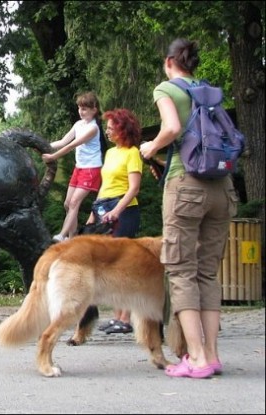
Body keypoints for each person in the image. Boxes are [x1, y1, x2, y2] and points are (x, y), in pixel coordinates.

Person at [140, 38, 233, 379]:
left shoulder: (167, 88)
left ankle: (195, 358)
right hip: (222, 188)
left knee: (180, 270)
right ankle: (212, 353)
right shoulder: (209, 90)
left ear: (169, 62)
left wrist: (151, 147)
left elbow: (173, 128)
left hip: (186, 186)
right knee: (208, 271)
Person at [86, 108, 143, 335]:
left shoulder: (133, 153)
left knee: (122, 266)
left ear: (122, 129)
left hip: (125, 209)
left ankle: (126, 318)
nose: (107, 131)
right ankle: (116, 316)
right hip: (105, 206)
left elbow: (134, 188)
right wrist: (94, 213)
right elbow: (104, 186)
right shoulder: (110, 154)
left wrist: (118, 211)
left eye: (111, 127)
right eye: (106, 127)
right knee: (108, 266)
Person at [41, 91, 103, 242]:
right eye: (79, 108)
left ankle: (62, 236)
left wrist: (53, 157)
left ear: (94, 110)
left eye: (84, 109)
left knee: (75, 202)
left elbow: (71, 146)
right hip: (79, 168)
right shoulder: (78, 124)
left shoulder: (93, 128)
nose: (80, 112)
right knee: (68, 204)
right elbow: (62, 142)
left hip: (91, 169)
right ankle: (72, 238)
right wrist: (42, 147)